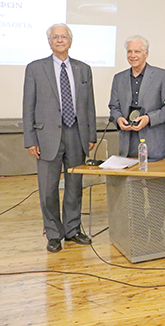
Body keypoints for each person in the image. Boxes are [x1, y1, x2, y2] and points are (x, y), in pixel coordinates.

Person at [23, 23, 97, 253]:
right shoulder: (35, 68)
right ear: (49, 42)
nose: (60, 40)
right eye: (55, 37)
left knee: (75, 185)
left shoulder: (83, 69)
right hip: (46, 136)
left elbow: (89, 105)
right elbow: (28, 105)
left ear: (70, 41)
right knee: (48, 188)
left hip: (77, 134)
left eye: (64, 36)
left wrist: (91, 134)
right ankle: (54, 233)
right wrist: (30, 139)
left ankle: (73, 229)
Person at [109, 35, 165, 160]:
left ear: (146, 53)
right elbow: (114, 107)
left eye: (137, 51)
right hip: (128, 145)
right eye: (129, 51)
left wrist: (149, 118)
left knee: (156, 174)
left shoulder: (162, 76)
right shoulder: (119, 78)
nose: (132, 55)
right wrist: (118, 119)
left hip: (155, 145)